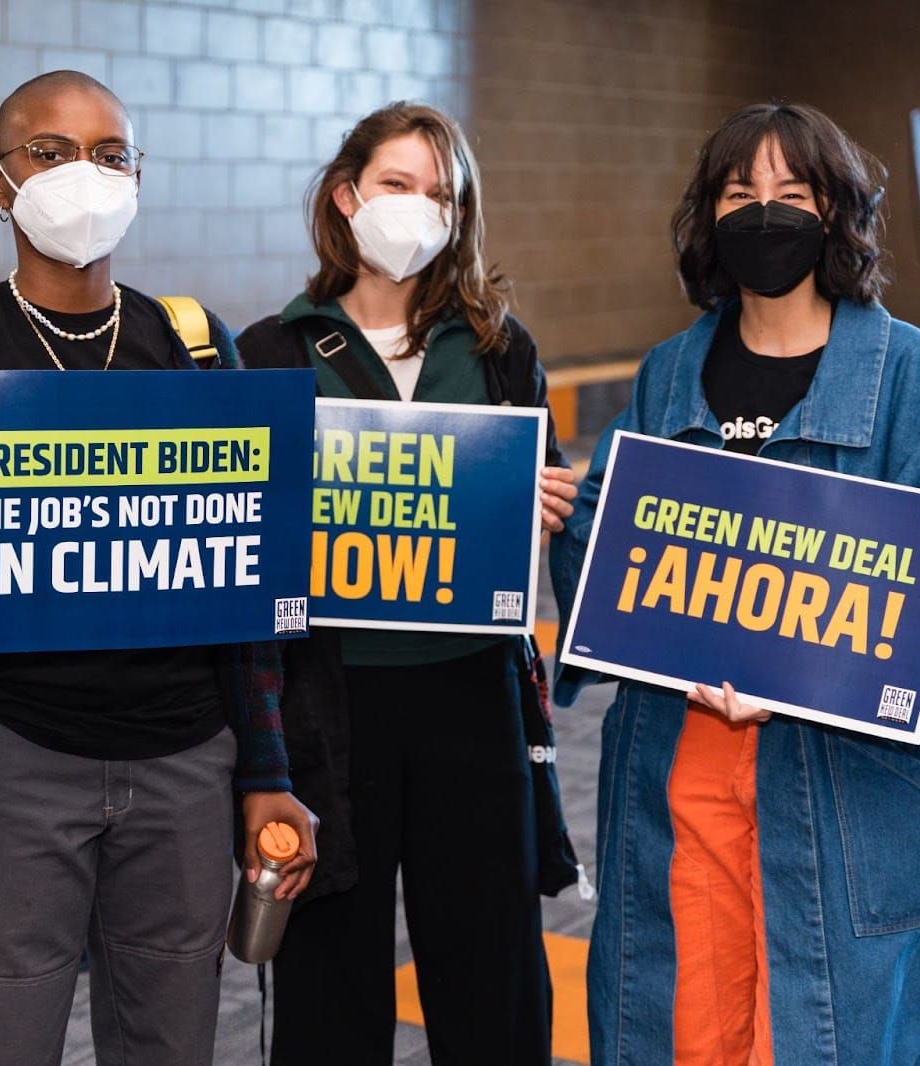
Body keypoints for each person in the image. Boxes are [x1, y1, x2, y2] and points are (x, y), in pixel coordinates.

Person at [0, 70, 317, 1066]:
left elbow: (246, 596)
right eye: (49, 153)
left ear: (140, 175)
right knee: (2, 1039)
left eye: (109, 153)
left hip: (186, 761)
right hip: (14, 759)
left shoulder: (197, 352)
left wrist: (264, 770)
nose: (82, 176)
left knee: (168, 1041)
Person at [551, 102, 920, 1066]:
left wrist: (800, 674)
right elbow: (618, 555)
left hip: (843, 778)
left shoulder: (913, 376)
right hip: (683, 760)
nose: (765, 214)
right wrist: (570, 519)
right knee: (683, 1021)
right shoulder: (670, 371)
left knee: (824, 1030)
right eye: (740, 194)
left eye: (791, 195)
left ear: (835, 213)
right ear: (710, 218)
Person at [236, 102, 578, 1066]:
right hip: (330, 701)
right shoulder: (270, 351)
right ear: (347, 196)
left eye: (441, 193)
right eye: (397, 184)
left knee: (491, 974)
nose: (418, 208)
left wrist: (549, 502)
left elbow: (535, 512)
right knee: (331, 981)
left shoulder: (502, 350)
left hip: (472, 695)